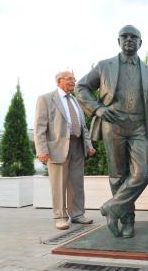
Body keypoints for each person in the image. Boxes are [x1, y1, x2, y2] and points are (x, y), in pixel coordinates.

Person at [75, 25, 148, 238]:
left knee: (142, 174)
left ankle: (112, 207)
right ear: (118, 41)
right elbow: (81, 87)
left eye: (134, 37)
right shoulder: (104, 66)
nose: (129, 40)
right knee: (117, 175)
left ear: (140, 43)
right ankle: (128, 221)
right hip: (113, 124)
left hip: (139, 127)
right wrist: (97, 108)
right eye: (125, 36)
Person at [34, 71, 96, 230]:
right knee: (59, 184)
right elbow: (39, 127)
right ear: (59, 81)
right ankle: (60, 217)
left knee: (77, 183)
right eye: (70, 79)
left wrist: (88, 144)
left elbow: (84, 126)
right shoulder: (46, 99)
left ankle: (77, 214)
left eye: (74, 79)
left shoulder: (75, 100)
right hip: (57, 149)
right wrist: (42, 149)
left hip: (77, 146)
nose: (73, 82)